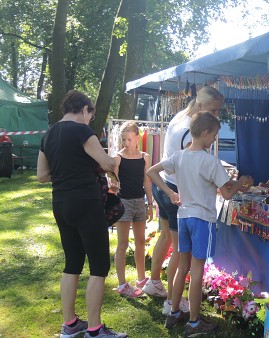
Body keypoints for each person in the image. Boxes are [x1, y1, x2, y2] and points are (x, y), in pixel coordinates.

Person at [147, 112, 253, 336]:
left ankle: (174, 311)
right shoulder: (210, 161)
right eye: (214, 135)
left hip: (183, 217)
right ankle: (194, 323)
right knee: (196, 271)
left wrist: (170, 192)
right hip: (202, 219)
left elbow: (151, 171)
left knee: (182, 266)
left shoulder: (180, 156)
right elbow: (226, 193)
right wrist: (241, 182)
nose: (215, 139)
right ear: (205, 133)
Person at [37, 90, 127, 338]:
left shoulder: (49, 134)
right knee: (98, 265)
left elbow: (42, 175)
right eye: (90, 115)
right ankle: (95, 330)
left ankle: (69, 324)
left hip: (61, 203)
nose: (89, 120)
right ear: (84, 110)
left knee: (72, 263)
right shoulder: (82, 130)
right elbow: (108, 164)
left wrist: (67, 172)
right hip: (86, 203)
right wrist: (115, 160)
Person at [142, 86, 225, 318]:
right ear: (200, 108)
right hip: (181, 194)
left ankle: (155, 283)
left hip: (168, 187)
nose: (216, 116)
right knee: (182, 255)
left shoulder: (180, 117)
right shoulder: (191, 131)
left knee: (167, 237)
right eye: (213, 110)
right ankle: (173, 303)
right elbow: (195, 166)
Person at [111, 121, 153, 298]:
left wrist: (150, 204)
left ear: (138, 138)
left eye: (129, 139)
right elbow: (113, 183)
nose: (126, 143)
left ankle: (141, 279)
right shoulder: (118, 158)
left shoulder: (145, 157)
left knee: (141, 242)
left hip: (139, 201)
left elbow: (147, 181)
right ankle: (122, 284)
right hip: (124, 203)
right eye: (123, 139)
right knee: (122, 243)